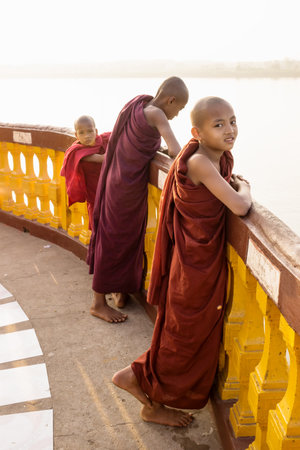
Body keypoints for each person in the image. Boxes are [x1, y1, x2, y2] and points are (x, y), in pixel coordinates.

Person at [112, 96, 252, 427]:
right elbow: (240, 207)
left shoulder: (212, 157)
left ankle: (144, 386)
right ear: (197, 132)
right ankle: (140, 384)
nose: (229, 130)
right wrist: (244, 187)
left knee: (183, 334)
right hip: (193, 268)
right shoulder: (201, 162)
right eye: (219, 125)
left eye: (232, 121)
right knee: (184, 337)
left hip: (196, 263)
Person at [87, 77, 189, 324]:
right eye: (180, 109)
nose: (177, 115)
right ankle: (98, 303)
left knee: (125, 239)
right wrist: (207, 161)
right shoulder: (157, 114)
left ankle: (119, 290)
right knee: (113, 240)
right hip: (124, 187)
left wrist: (157, 151)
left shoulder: (138, 105)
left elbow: (139, 146)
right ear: (171, 100)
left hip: (119, 181)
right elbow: (177, 150)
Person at [60, 115, 111, 229]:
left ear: (96, 131)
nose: (87, 136)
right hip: (95, 196)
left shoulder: (102, 140)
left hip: (110, 192)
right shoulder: (78, 152)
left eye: (90, 131)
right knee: (98, 227)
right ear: (76, 135)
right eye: (81, 133)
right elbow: (104, 158)